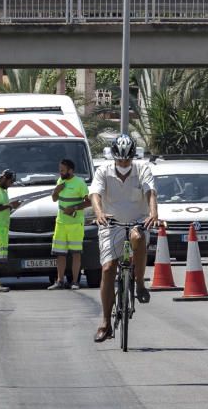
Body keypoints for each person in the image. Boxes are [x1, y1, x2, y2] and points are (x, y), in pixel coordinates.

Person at [90, 134, 159, 343]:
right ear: (114, 157)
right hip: (111, 224)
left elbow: (150, 192)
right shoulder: (103, 171)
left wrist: (153, 213)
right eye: (120, 159)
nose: (123, 163)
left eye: (127, 159)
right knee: (108, 268)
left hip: (137, 221)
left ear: (132, 156)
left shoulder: (142, 169)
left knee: (138, 237)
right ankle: (105, 323)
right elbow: (95, 194)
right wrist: (99, 213)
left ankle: (139, 282)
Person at [48, 158, 90, 290]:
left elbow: (89, 202)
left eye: (63, 170)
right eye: (60, 170)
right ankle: (59, 281)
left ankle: (75, 282)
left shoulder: (80, 183)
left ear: (70, 171)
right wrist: (56, 190)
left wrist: (74, 208)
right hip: (61, 223)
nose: (60, 172)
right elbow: (54, 199)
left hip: (75, 224)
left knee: (76, 253)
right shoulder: (60, 181)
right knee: (60, 253)